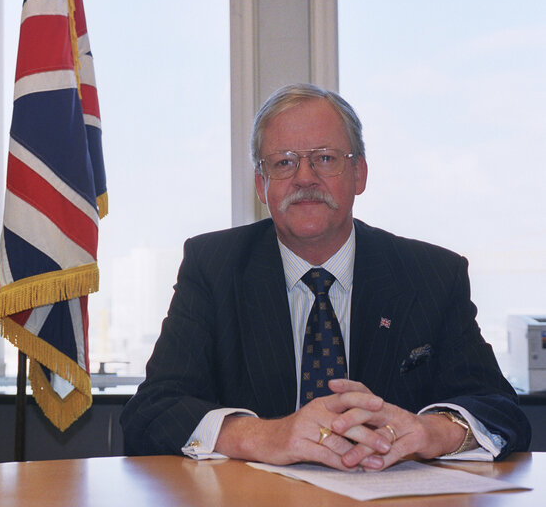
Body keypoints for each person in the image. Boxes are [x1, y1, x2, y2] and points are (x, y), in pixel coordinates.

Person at [119, 83, 531, 471]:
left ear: (359, 175)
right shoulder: (214, 266)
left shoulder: (432, 275)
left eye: (326, 159)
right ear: (262, 185)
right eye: (284, 163)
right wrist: (262, 435)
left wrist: (431, 431)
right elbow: (152, 411)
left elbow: (498, 408)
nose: (304, 178)